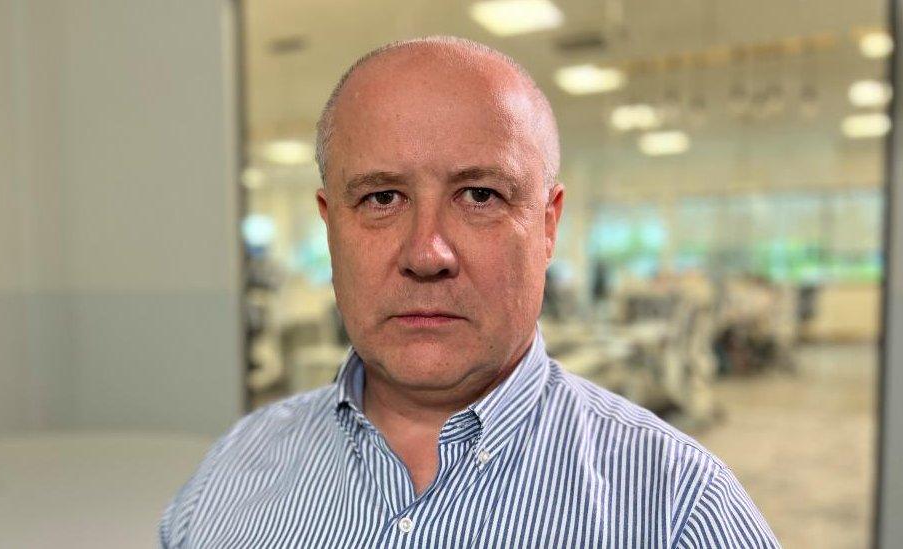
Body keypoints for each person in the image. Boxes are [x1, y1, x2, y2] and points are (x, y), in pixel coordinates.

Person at [160, 36, 779, 548]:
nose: (427, 252)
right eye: (381, 199)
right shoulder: (232, 471)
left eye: (480, 195)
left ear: (547, 225)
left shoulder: (679, 511)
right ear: (330, 226)